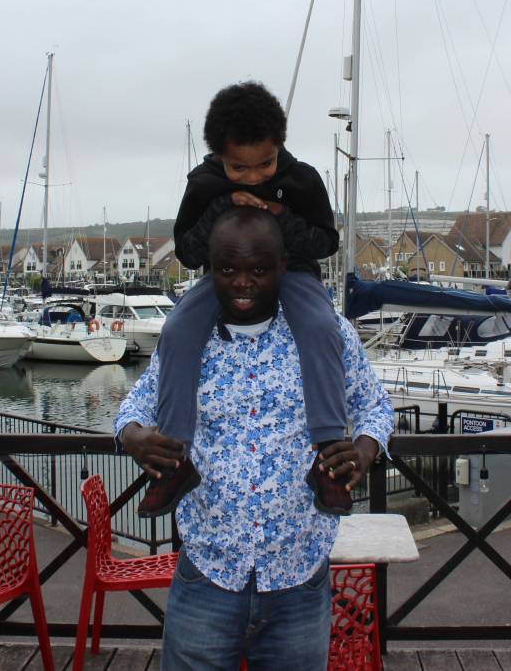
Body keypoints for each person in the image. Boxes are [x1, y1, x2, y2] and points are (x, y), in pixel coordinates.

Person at [116, 208, 392, 669]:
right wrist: (132, 435)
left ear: (283, 265)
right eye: (227, 270)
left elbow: (376, 405)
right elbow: (135, 406)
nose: (243, 282)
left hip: (298, 578)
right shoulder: (187, 338)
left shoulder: (326, 333)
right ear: (210, 269)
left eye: (259, 270)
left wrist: (365, 449)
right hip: (207, 575)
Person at [144, 81, 345, 519]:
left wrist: (279, 217)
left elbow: (326, 242)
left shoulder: (301, 179)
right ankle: (176, 459)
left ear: (279, 146)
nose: (254, 177)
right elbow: (188, 251)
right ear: (219, 154)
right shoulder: (204, 184)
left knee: (321, 328)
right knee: (176, 330)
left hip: (293, 272)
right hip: (223, 278)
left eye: (265, 164)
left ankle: (329, 456)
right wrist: (223, 204)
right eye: (239, 168)